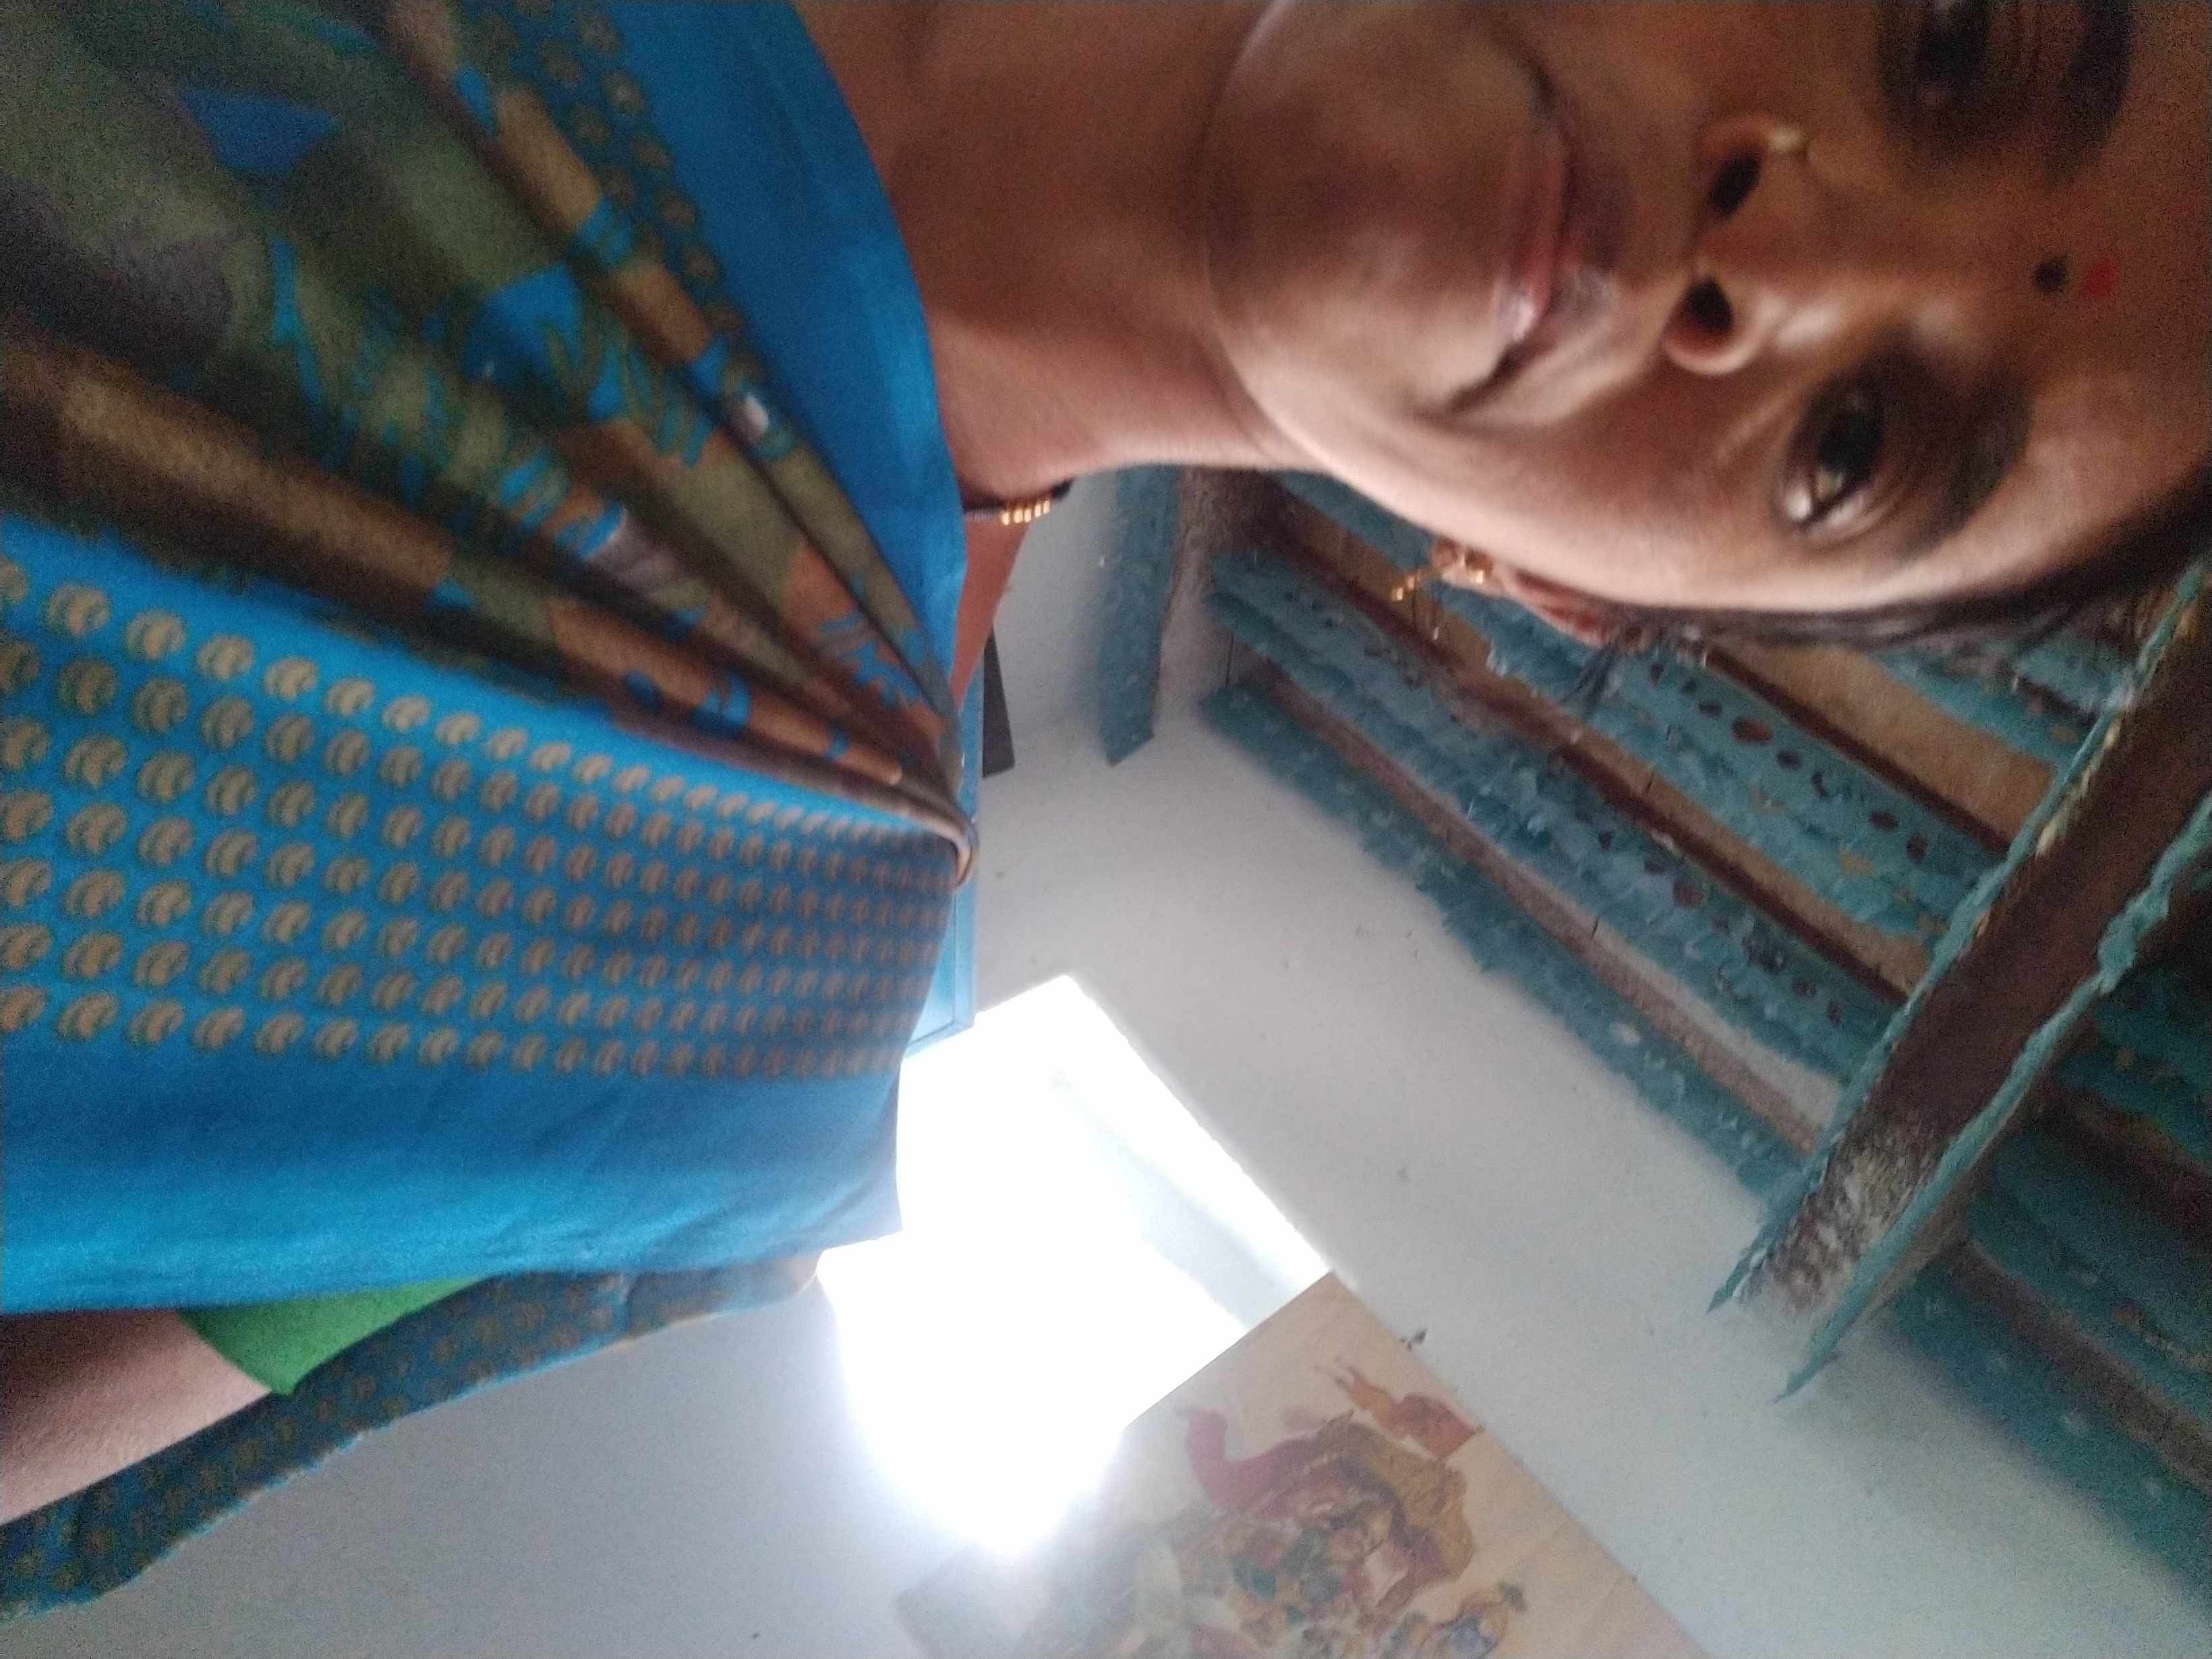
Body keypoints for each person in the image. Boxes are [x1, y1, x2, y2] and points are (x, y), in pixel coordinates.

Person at [2, 0, 2206, 1602]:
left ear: (1573, 590)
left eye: (1854, 449)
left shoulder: (748, 941)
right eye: (1947, 48)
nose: (1779, 272)